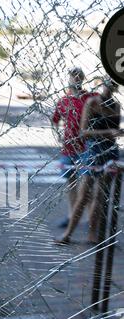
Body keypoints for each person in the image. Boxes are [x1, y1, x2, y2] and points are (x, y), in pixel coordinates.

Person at [55, 76, 121, 244]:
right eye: (108, 83)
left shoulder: (116, 106)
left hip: (110, 152)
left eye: (113, 84)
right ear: (103, 84)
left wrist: (117, 133)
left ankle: (93, 236)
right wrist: (108, 134)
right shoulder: (92, 102)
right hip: (93, 152)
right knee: (84, 195)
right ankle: (68, 234)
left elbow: (115, 130)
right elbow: (83, 132)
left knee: (100, 196)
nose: (110, 87)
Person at [52, 67, 97, 228]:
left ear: (83, 79)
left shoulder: (91, 98)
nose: (76, 80)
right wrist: (57, 135)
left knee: (87, 185)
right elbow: (55, 120)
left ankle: (90, 219)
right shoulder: (63, 101)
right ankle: (72, 216)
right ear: (69, 79)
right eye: (73, 77)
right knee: (71, 183)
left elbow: (105, 109)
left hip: (87, 147)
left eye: (79, 77)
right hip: (69, 147)